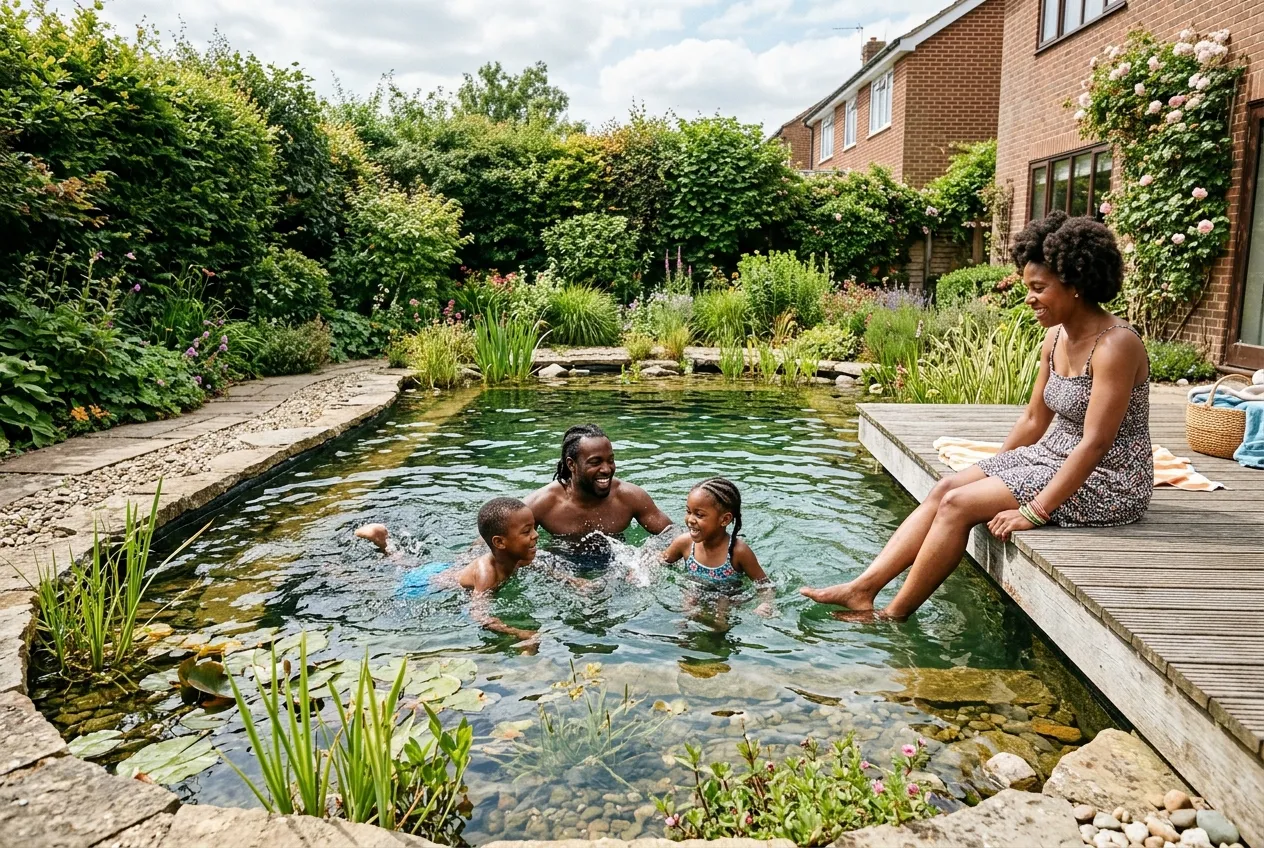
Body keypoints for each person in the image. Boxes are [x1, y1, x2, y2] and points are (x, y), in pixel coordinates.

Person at [802, 211, 1151, 621]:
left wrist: (1033, 510)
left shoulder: (1116, 346)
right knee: (946, 486)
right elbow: (1035, 421)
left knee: (958, 505)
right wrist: (998, 471)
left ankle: (893, 615)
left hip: (1109, 477)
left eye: (1039, 288)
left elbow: (1096, 443)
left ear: (1075, 284)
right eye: (1027, 288)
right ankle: (863, 589)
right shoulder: (1054, 336)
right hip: (1053, 455)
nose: (1029, 298)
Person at [359, 497, 540, 643]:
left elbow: (547, 570)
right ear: (500, 542)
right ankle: (381, 543)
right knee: (400, 570)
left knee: (408, 564)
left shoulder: (517, 558)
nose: (536, 535)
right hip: (425, 584)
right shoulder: (487, 574)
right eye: (526, 531)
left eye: (533, 528)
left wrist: (569, 581)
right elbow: (478, 614)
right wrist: (518, 632)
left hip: (448, 570)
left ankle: (385, 544)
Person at [525, 424, 672, 538]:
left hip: (617, 563)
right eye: (595, 462)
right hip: (561, 563)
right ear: (571, 465)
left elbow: (673, 536)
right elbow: (512, 552)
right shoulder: (541, 504)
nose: (607, 469)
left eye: (610, 461)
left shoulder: (630, 497)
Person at [661, 477, 774, 615]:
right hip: (694, 590)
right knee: (689, 606)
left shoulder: (738, 551)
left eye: (699, 515)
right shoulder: (684, 543)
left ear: (724, 519)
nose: (690, 520)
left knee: (721, 613)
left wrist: (765, 604)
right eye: (688, 511)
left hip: (729, 596)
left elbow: (765, 585)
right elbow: (660, 562)